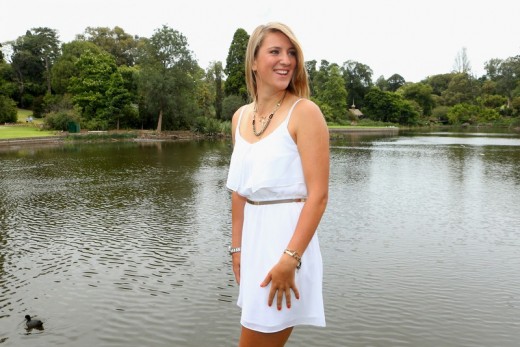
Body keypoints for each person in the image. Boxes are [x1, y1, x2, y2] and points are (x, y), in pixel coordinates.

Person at [226, 22, 329, 347]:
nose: (286, 60)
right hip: (254, 245)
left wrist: (290, 259)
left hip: (286, 249)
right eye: (275, 51)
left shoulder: (305, 113)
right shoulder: (240, 117)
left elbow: (319, 196)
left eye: (291, 53)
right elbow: (240, 191)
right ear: (254, 61)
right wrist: (237, 248)